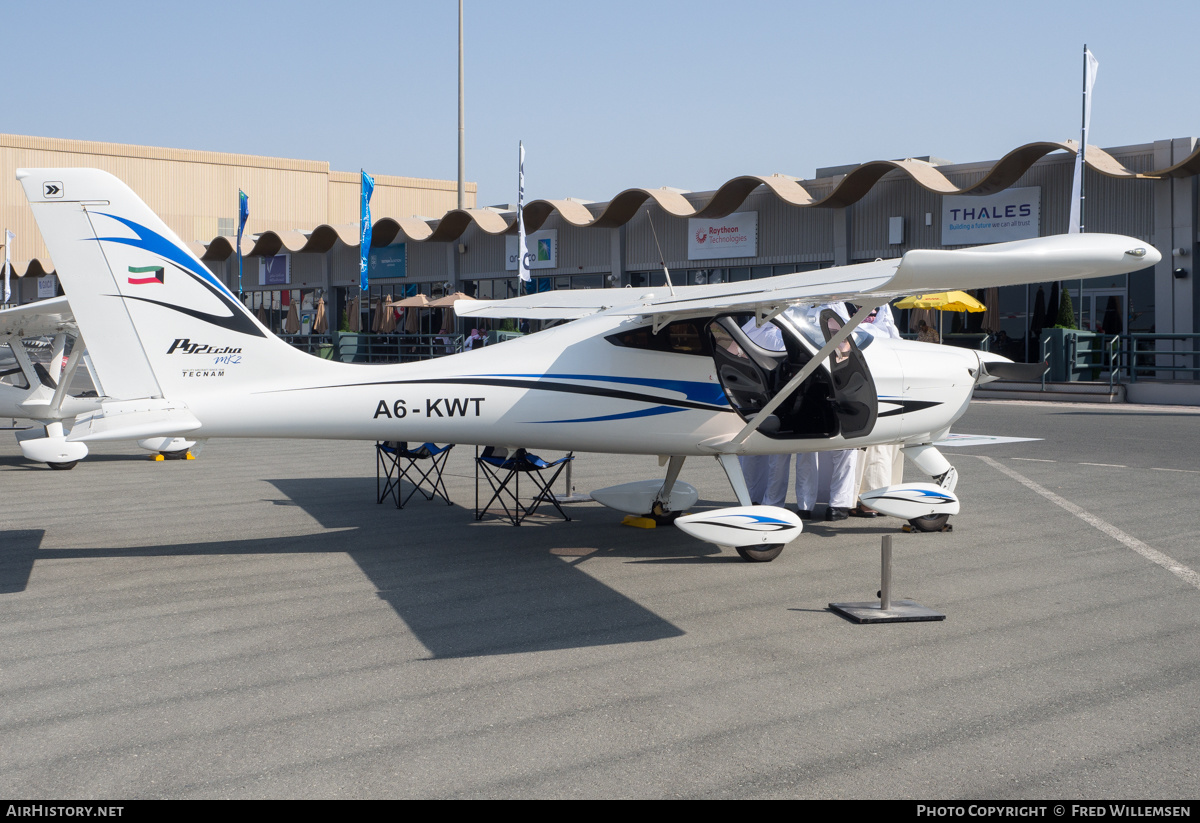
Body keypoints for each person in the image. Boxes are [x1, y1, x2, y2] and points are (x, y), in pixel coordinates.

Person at [737, 317, 791, 506]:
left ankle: (752, 499)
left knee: (752, 450)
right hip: (780, 393)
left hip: (756, 392)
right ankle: (772, 503)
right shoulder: (781, 332)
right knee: (778, 453)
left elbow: (735, 350)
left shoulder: (752, 327)